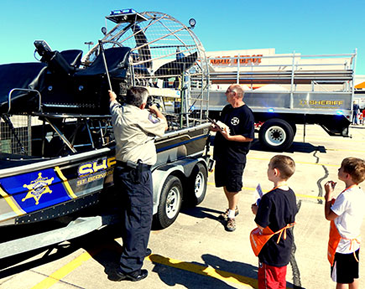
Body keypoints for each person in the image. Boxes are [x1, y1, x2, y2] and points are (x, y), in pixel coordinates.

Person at [109, 87, 167, 282]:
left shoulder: (119, 111)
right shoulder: (141, 116)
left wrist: (112, 97)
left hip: (122, 171)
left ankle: (136, 249)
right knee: (141, 219)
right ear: (143, 104)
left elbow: (113, 104)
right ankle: (129, 268)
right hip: (137, 174)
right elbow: (163, 127)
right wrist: (157, 112)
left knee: (129, 215)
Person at [211, 84, 254, 231]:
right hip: (222, 153)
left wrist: (230, 138)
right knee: (224, 183)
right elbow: (224, 125)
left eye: (227, 92)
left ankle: (231, 217)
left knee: (234, 186)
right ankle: (232, 208)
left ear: (235, 95)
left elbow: (248, 137)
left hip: (235, 156)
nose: (225, 94)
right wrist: (216, 127)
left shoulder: (246, 113)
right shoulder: (227, 109)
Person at [250, 155, 297, 289]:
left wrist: (257, 211)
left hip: (271, 246)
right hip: (285, 243)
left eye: (269, 166)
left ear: (275, 172)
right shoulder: (291, 193)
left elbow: (261, 224)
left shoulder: (269, 198)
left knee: (268, 281)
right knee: (280, 280)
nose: (267, 169)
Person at [324, 157, 365, 289]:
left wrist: (328, 196)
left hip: (342, 244)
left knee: (341, 279)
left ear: (347, 176)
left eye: (341, 168)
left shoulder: (346, 197)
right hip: (353, 241)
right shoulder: (359, 192)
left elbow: (329, 216)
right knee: (352, 275)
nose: (338, 169)